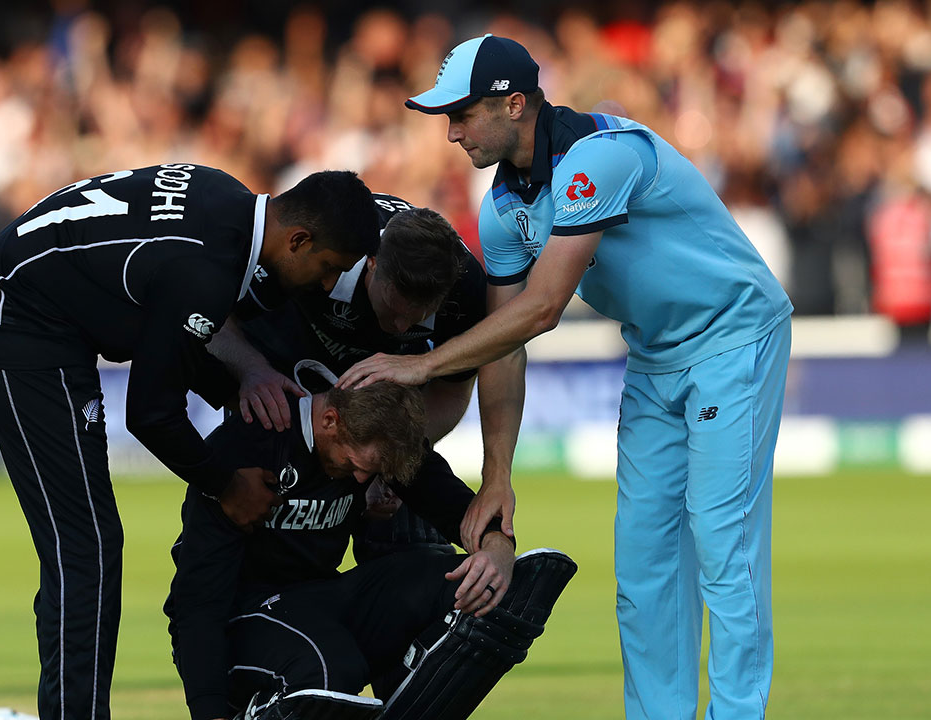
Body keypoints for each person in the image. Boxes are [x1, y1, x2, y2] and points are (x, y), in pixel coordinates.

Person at [340, 35, 793, 720]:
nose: (452, 132)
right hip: (656, 356)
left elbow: (543, 308)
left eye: (462, 114)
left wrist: (422, 363)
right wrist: (498, 478)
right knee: (643, 569)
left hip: (736, 338)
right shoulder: (501, 210)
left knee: (723, 545)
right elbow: (505, 348)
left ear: (514, 104)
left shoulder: (598, 159)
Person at [0, 164, 381, 720]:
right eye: (327, 269)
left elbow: (178, 316)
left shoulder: (224, 196)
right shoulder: (204, 268)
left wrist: (246, 375)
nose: (325, 286)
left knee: (88, 545)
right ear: (297, 240)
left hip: (36, 303)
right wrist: (225, 485)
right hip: (15, 327)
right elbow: (151, 414)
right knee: (85, 546)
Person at [164, 363, 576, 720]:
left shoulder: (379, 440)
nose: (364, 480)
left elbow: (451, 502)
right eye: (358, 466)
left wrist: (497, 546)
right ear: (330, 422)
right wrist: (209, 711)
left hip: (315, 600)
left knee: (470, 584)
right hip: (237, 615)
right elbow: (198, 598)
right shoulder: (248, 445)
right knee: (328, 672)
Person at [206, 198, 521, 558]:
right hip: (279, 373)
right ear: (369, 262)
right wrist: (251, 369)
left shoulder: (467, 294)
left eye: (420, 316)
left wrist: (379, 462)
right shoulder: (320, 245)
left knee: (400, 536)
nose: (401, 327)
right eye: (393, 308)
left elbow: (451, 393)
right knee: (270, 538)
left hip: (382, 405)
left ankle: (479, 560)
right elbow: (209, 311)